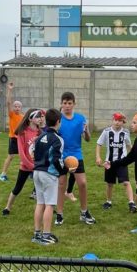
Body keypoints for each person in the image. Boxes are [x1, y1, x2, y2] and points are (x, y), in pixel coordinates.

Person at [54, 91, 96, 226]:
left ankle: (84, 212)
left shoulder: (80, 118)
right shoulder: (58, 119)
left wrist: (86, 131)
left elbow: (87, 139)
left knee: (82, 183)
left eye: (69, 103)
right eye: (65, 103)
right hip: (61, 156)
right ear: (61, 104)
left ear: (74, 104)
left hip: (76, 155)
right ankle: (59, 214)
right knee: (61, 184)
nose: (67, 106)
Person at [32, 108, 71, 245]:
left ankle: (37, 233)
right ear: (58, 121)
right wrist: (64, 170)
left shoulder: (40, 137)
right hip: (48, 174)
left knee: (40, 203)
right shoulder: (58, 139)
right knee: (49, 205)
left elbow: (34, 154)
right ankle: (46, 235)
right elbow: (56, 159)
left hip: (37, 172)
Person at [2, 108, 43, 216]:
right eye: (37, 116)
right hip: (26, 166)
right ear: (30, 119)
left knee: (41, 189)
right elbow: (21, 153)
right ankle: (7, 207)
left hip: (38, 166)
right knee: (17, 188)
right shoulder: (23, 132)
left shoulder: (40, 132)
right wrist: (31, 166)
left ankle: (46, 208)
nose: (40, 118)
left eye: (40, 116)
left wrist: (40, 164)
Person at [95, 112, 137, 213]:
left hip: (122, 162)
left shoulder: (125, 132)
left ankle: (131, 203)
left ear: (123, 122)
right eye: (116, 120)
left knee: (126, 182)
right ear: (112, 120)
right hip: (109, 162)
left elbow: (129, 145)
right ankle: (108, 201)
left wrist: (134, 157)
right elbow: (99, 144)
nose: (117, 122)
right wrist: (98, 157)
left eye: (120, 121)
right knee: (110, 183)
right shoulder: (106, 131)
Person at [0, 82, 24, 182]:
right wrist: (9, 89)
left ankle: (28, 173)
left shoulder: (22, 117)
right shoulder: (12, 115)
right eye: (15, 106)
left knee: (25, 156)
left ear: (21, 108)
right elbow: (8, 102)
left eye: (18, 106)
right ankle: (2, 174)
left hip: (20, 139)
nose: (17, 108)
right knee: (11, 156)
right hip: (13, 138)